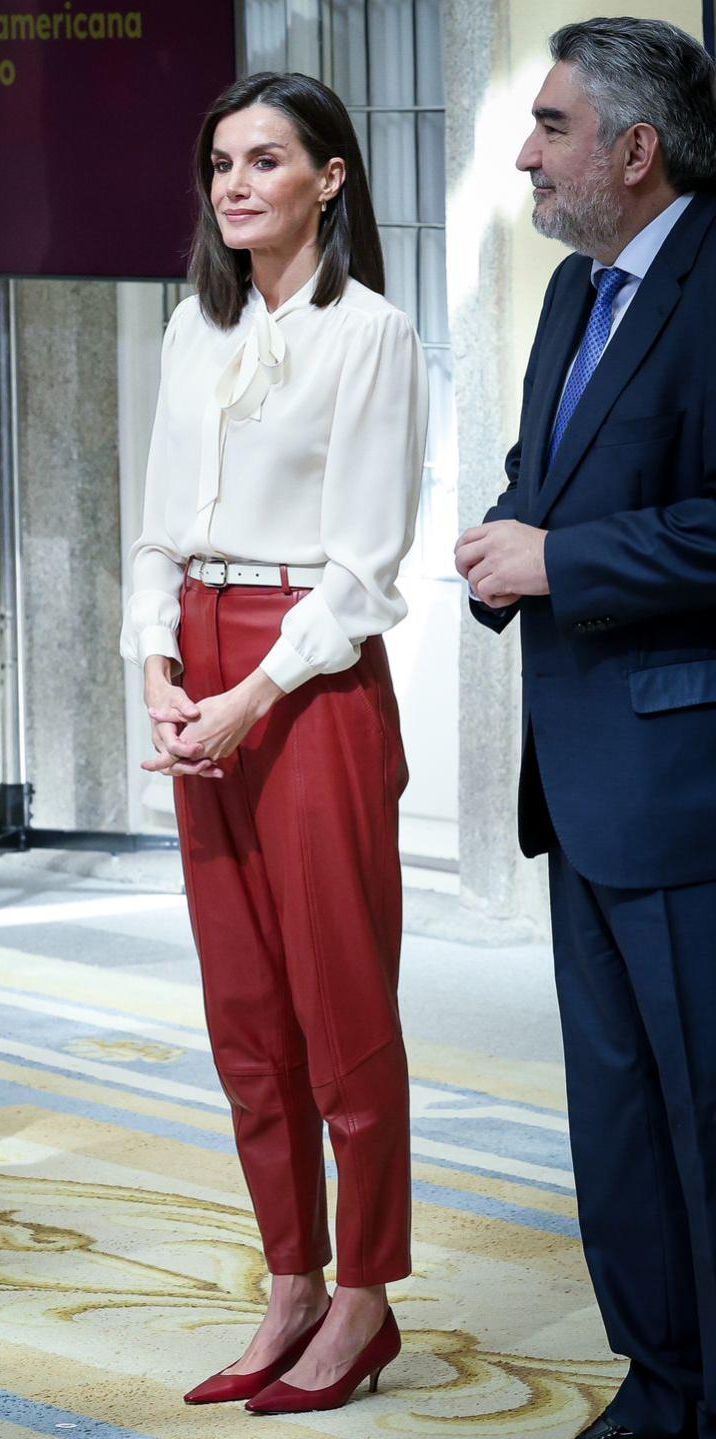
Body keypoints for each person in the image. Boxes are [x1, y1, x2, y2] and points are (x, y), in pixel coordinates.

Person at [120, 70, 428, 1415]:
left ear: (332, 178)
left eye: (264, 161)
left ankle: (363, 1299)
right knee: (245, 1013)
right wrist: (160, 672)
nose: (233, 184)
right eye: (220, 164)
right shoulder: (193, 331)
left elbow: (365, 569)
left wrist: (252, 698)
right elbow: (151, 530)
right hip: (201, 657)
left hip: (312, 676)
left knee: (340, 1008)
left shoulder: (374, 336)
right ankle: (289, 1278)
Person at [455, 19, 716, 1439]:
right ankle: (661, 1386)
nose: (526, 153)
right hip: (580, 775)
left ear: (636, 147)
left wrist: (564, 563)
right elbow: (544, 469)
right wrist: (510, 534)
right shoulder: (572, 291)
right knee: (618, 1129)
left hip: (686, 784)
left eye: (552, 127)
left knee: (703, 1130)